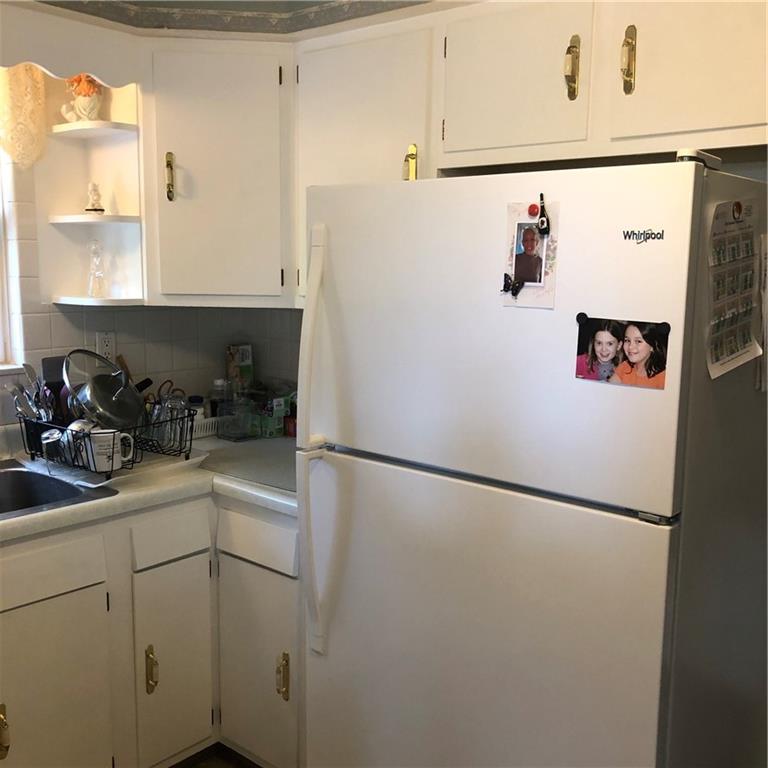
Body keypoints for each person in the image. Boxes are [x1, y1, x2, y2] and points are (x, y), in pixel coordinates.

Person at [610, 322, 667, 389]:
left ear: (652, 346)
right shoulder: (625, 367)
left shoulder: (664, 378)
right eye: (627, 340)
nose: (630, 347)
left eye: (638, 341)